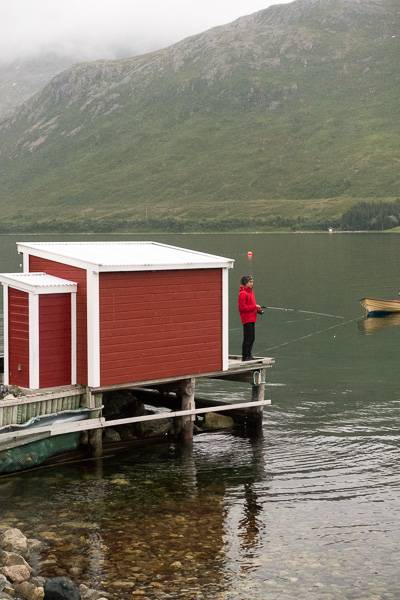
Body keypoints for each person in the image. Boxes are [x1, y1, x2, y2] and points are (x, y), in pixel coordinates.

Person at [238, 275, 262, 361]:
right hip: (246, 319)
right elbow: (242, 308)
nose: (252, 283)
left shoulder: (251, 292)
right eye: (250, 282)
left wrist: (257, 310)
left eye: (252, 282)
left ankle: (249, 355)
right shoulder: (242, 294)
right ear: (245, 283)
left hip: (252, 318)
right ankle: (245, 356)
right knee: (248, 338)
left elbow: (251, 306)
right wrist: (254, 306)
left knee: (252, 338)